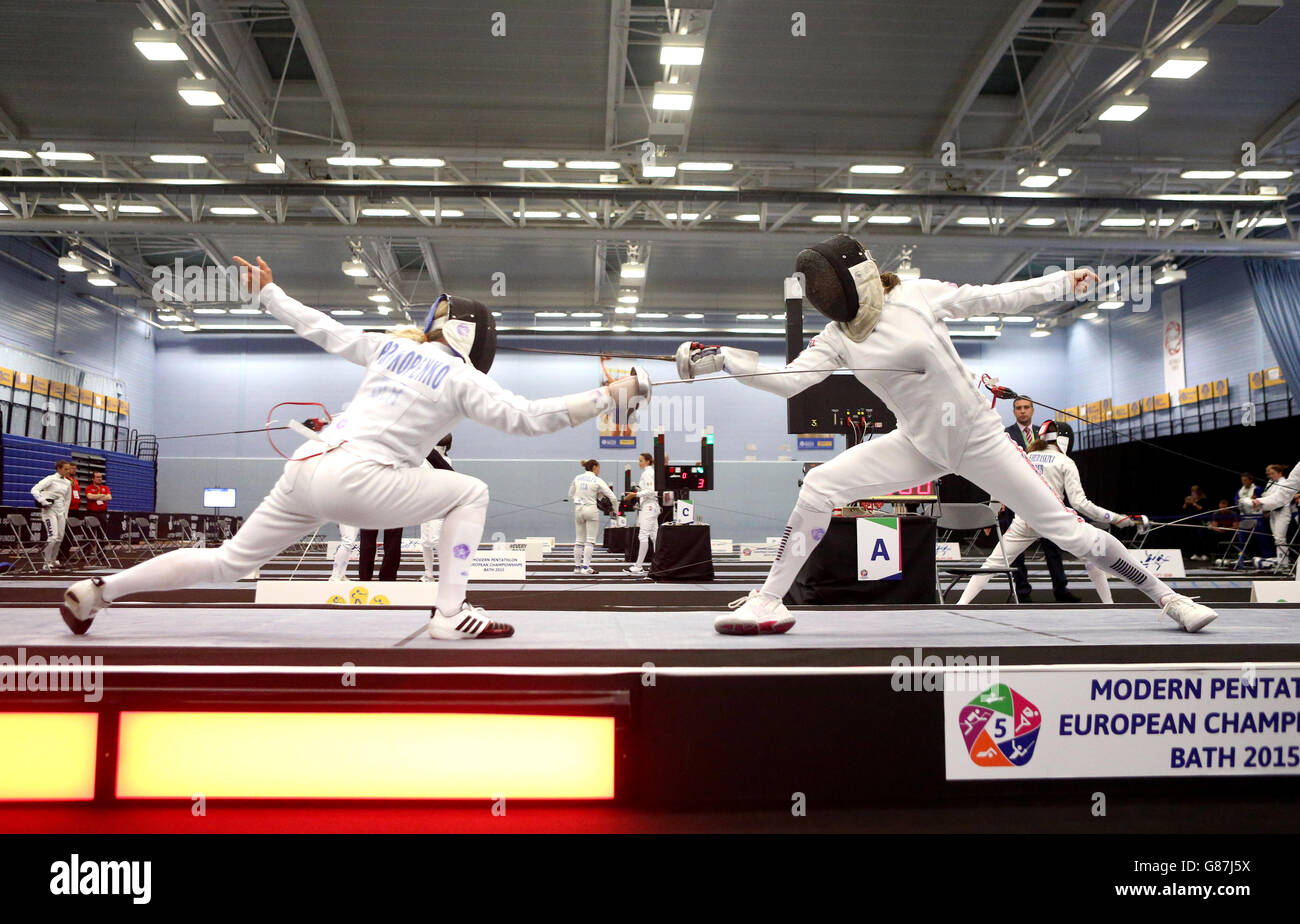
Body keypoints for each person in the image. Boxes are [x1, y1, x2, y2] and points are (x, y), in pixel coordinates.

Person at [60, 255, 648, 640]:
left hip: (306, 467)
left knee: (229, 563)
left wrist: (269, 294)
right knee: (472, 489)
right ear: (477, 337)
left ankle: (99, 591)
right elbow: (527, 418)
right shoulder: (465, 378)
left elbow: (323, 328)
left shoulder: (388, 348)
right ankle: (449, 614)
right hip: (359, 482)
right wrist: (608, 394)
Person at [675, 233, 1217, 634]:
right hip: (917, 442)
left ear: (856, 279)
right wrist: (723, 360)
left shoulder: (915, 295)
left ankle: (1170, 599)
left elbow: (994, 298)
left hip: (981, 440)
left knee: (1068, 531)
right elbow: (790, 382)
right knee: (819, 486)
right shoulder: (837, 337)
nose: (825, 299)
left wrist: (1060, 283)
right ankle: (769, 600)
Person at [957, 421, 1145, 604]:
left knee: (993, 563)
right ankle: (1108, 604)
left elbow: (999, 486)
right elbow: (1080, 503)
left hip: (1025, 521)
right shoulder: (1065, 462)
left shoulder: (1026, 457)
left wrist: (992, 515)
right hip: (1055, 522)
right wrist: (1117, 519)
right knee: (1091, 558)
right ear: (1064, 440)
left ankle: (960, 604)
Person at [1002, 397, 1073, 602]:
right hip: (1017, 497)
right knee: (1017, 550)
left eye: (1026, 408)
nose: (1022, 411)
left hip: (1045, 497)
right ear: (1014, 411)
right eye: (1018, 408)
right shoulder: (1005, 435)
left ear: (1032, 410)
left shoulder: (1047, 434)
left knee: (1053, 545)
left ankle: (1061, 590)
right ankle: (1022, 592)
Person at [569, 459, 618, 574]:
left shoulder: (577, 478)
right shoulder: (597, 480)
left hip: (578, 509)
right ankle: (586, 567)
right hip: (591, 509)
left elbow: (570, 494)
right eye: (598, 468)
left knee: (579, 539)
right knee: (590, 540)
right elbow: (613, 498)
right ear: (595, 467)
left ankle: (577, 567)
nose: (599, 470)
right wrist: (615, 511)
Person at [419, 434, 454, 582]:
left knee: (435, 540)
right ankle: (428, 574)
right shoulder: (424, 460)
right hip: (425, 505)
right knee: (425, 542)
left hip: (439, 506)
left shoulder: (446, 461)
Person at [31, 460, 76, 572]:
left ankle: (53, 560)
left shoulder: (67, 482)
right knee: (53, 536)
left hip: (61, 511)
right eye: (65, 469)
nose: (67, 471)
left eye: (68, 469)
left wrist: (65, 514)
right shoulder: (50, 478)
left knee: (60, 537)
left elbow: (67, 499)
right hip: (49, 510)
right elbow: (34, 489)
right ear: (59, 468)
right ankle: (46, 563)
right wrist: (42, 501)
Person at [623, 452, 660, 575]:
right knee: (654, 536)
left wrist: (635, 494)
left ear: (648, 461)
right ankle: (658, 564)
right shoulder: (650, 472)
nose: (639, 463)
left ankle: (638, 566)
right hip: (652, 506)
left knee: (643, 535)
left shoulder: (648, 473)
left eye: (641, 460)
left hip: (649, 507)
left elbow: (651, 490)